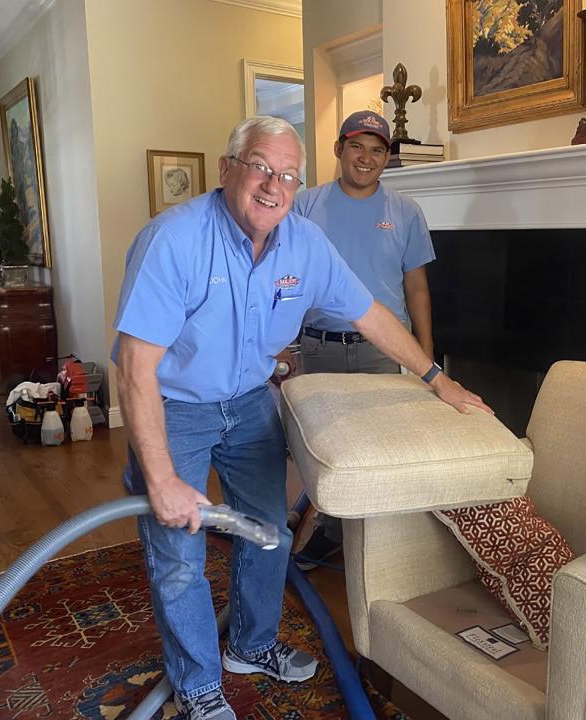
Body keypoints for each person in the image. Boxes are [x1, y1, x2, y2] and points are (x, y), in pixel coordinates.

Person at [112, 115, 490, 720]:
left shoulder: (304, 243)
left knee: (268, 531)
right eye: (261, 167)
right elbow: (134, 367)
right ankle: (197, 687)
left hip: (249, 400)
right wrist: (159, 478)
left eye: (287, 175)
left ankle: (251, 645)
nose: (273, 186)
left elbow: (371, 315)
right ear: (227, 168)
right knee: (178, 550)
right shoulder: (175, 239)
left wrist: (434, 377)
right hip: (173, 406)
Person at [289, 110, 434, 571]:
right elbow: (283, 279)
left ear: (387, 158)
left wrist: (424, 356)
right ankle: (313, 508)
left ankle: (336, 534)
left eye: (377, 150)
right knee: (327, 443)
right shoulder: (304, 206)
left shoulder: (406, 212)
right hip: (319, 346)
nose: (366, 158)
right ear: (339, 149)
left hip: (382, 351)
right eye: (357, 146)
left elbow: (417, 288)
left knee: (376, 445)